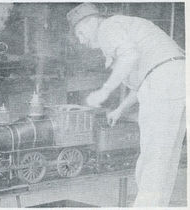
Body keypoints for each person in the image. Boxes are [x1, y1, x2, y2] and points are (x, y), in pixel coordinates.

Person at [67, 3, 186, 207]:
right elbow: (144, 81)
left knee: (152, 157)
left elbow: (130, 58)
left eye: (79, 32)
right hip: (179, 78)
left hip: (165, 82)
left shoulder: (108, 28)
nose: (81, 39)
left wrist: (104, 91)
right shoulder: (127, 27)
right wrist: (120, 109)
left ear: (90, 21)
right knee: (166, 156)